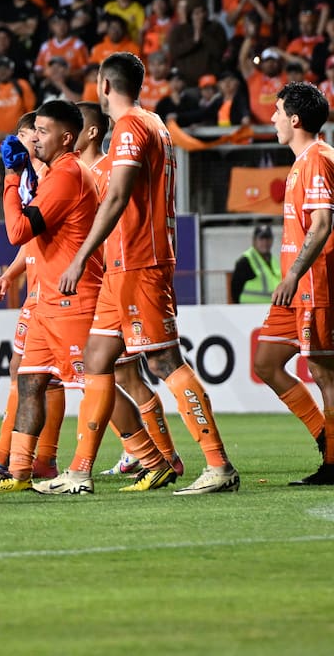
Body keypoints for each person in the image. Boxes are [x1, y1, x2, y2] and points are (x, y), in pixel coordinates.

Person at [56, 52, 239, 495]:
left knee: (162, 360)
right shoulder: (152, 123)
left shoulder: (133, 128)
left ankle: (219, 465)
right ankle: (82, 472)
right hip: (122, 266)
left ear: (103, 85)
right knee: (98, 361)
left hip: (141, 260)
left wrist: (81, 257)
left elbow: (118, 197)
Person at [0, 100, 102, 493]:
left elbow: (18, 231)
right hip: (46, 298)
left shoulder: (67, 175)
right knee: (30, 381)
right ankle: (18, 474)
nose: (35, 138)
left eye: (43, 132)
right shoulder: (52, 174)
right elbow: (34, 240)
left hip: (72, 297)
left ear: (66, 138)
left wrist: (11, 179)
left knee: (99, 382)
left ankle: (147, 457)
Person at [253, 82, 334, 484]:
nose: (273, 118)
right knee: (266, 362)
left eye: (279, 111)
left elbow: (321, 226)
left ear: (296, 119)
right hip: (297, 288)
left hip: (312, 282)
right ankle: (324, 435)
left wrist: (293, 274)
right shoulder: (304, 161)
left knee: (324, 372)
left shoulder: (318, 159)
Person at [232, 224, 282, 304]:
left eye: (268, 238)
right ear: (254, 241)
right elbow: (235, 292)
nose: (265, 242)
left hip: (271, 309)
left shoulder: (275, 260)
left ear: (272, 240)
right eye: (261, 239)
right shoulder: (245, 261)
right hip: (249, 310)